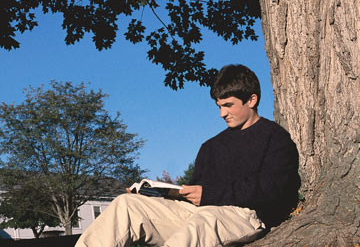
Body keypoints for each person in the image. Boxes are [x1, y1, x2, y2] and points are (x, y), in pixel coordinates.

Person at [75, 64, 300, 247]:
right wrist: (153, 194)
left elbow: (271, 188)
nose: (222, 113)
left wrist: (208, 195)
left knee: (203, 220)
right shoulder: (211, 146)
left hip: (244, 216)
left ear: (251, 100)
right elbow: (195, 194)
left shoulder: (275, 138)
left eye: (229, 105)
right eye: (219, 106)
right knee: (127, 205)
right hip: (197, 212)